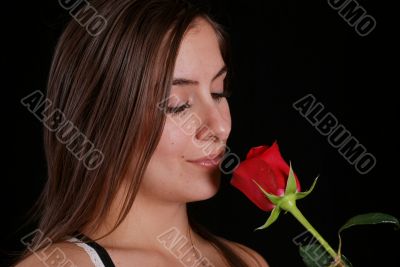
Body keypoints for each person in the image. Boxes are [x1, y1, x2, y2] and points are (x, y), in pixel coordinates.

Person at [16, 0, 269, 266]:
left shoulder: (247, 261)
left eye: (218, 92)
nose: (220, 127)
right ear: (103, 119)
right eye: (178, 105)